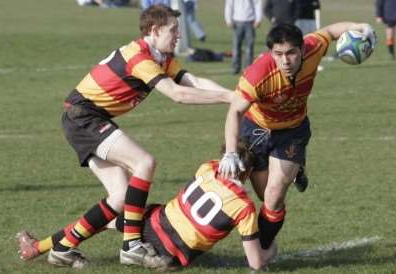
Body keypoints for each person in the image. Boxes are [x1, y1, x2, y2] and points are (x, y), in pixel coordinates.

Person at [16, 4, 234, 269]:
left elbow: (194, 82)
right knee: (144, 162)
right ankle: (131, 246)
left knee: (119, 197)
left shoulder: (162, 57)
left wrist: (234, 96)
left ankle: (59, 248)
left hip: (88, 118)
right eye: (174, 30)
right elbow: (178, 94)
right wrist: (226, 98)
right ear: (154, 30)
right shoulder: (140, 57)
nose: (179, 35)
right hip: (83, 116)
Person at [218, 22, 377, 250]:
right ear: (270, 53)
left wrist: (360, 25)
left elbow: (331, 32)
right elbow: (234, 111)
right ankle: (295, 168)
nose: (285, 61)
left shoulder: (313, 48)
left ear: (302, 50)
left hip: (292, 130)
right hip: (257, 129)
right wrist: (231, 154)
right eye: (278, 54)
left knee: (274, 196)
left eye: (291, 53)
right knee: (265, 195)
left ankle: (260, 250)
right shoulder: (258, 75)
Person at [17, 140, 277, 271]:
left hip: (150, 227)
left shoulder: (208, 168)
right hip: (172, 255)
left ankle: (41, 248)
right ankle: (46, 249)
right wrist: (270, 250)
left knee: (108, 217)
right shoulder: (244, 208)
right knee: (116, 216)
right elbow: (255, 263)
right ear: (250, 171)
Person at [225, 0, 263, 75]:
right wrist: (228, 20)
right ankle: (235, 68)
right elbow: (229, 5)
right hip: (237, 22)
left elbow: (257, 4)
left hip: (250, 22)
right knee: (236, 47)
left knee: (249, 48)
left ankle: (248, 70)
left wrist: (258, 19)